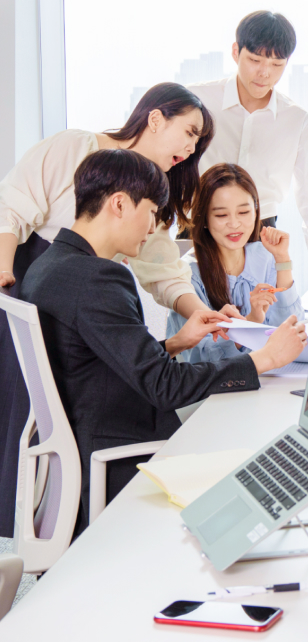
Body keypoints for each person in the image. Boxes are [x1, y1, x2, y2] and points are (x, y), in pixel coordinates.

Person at [19, 148, 307, 536]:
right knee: (267, 469)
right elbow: (164, 386)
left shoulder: (49, 265)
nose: (154, 227)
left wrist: (174, 343)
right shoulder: (99, 280)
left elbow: (96, 355)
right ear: (120, 204)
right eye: (153, 213)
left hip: (88, 437)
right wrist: (263, 360)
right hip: (124, 452)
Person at [0, 82, 234, 538]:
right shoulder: (74, 150)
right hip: (25, 286)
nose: (190, 148)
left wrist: (199, 315)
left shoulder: (144, 196)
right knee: (29, 425)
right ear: (154, 118)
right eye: (189, 132)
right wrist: (5, 274)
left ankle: (44, 527)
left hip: (57, 302)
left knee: (49, 426)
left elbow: (164, 271)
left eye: (197, 143)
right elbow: (10, 210)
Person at [188, 11, 308, 291]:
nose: (264, 73)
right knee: (193, 324)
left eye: (276, 64)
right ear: (236, 52)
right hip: (195, 230)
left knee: (262, 326)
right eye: (255, 60)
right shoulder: (197, 102)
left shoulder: (297, 121)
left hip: (260, 238)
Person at [168, 163, 303, 363]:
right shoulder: (186, 274)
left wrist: (282, 259)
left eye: (243, 212)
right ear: (204, 218)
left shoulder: (264, 256)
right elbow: (199, 357)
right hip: (209, 390)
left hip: (266, 378)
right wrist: (251, 323)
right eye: (221, 215)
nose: (234, 223)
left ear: (256, 211)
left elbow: (291, 328)